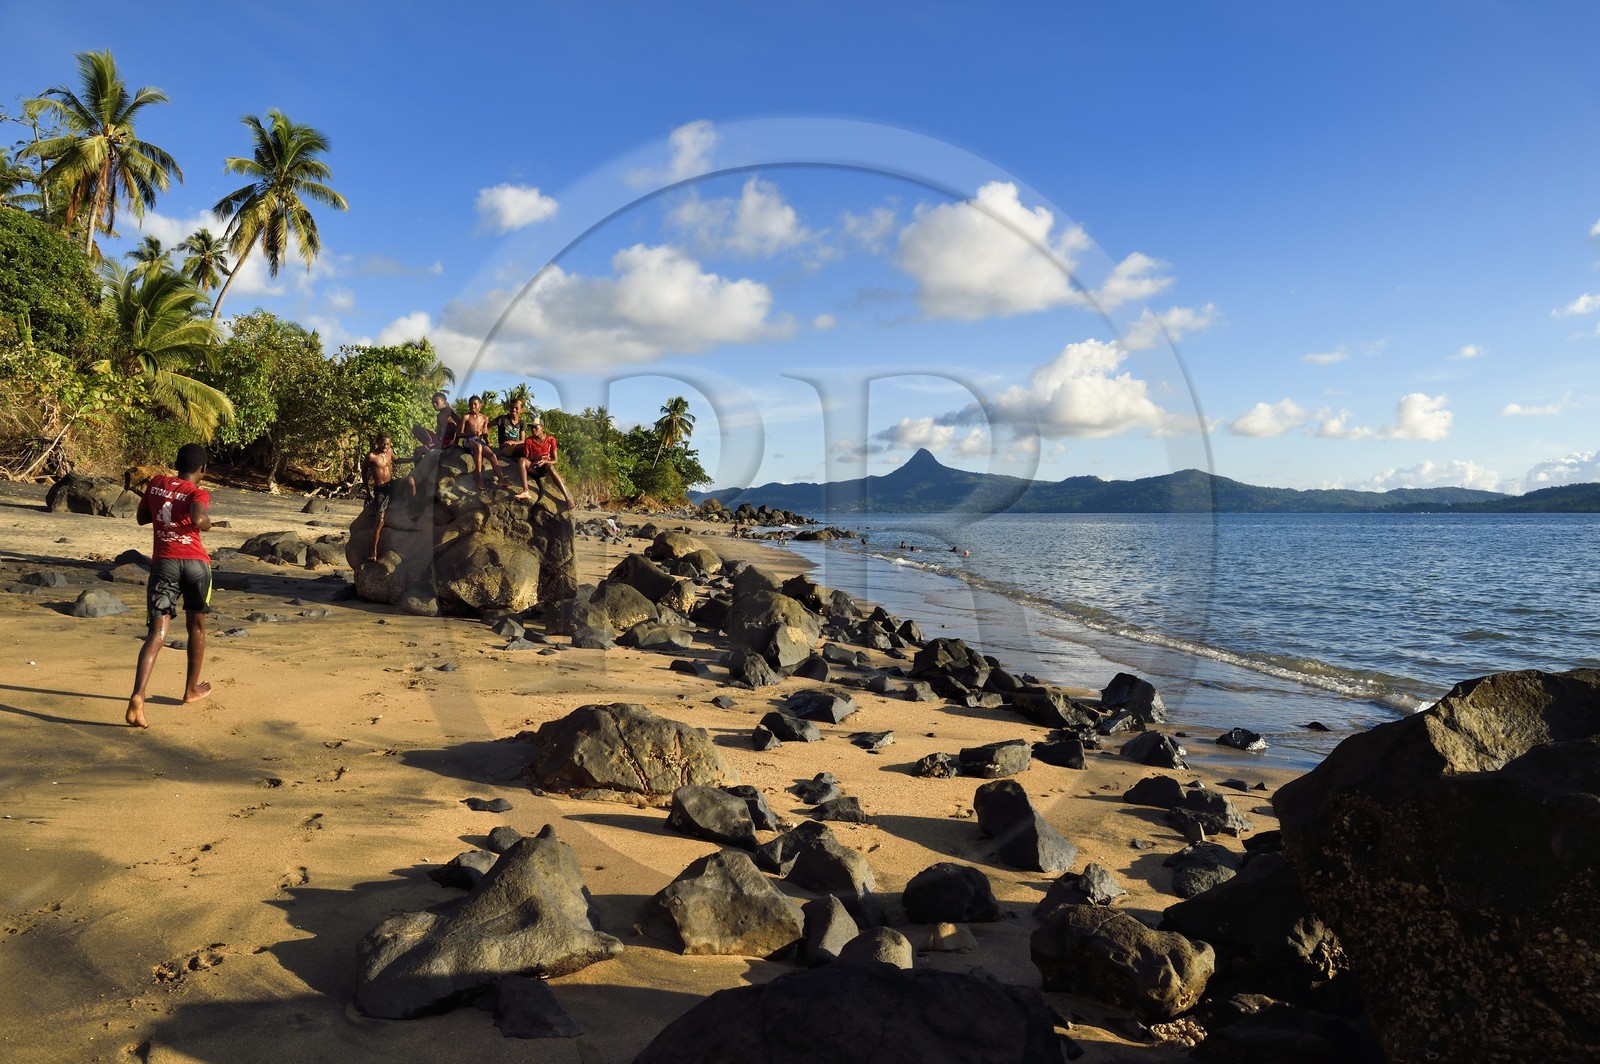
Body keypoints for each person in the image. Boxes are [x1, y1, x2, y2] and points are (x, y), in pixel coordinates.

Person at [126, 443, 214, 728]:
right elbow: (199, 519)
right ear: (202, 470)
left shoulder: (156, 484)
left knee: (157, 632)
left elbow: (142, 519)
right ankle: (190, 691)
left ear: (176, 463)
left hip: (164, 564)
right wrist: (208, 523)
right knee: (196, 627)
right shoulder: (197, 492)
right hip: (197, 567)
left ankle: (138, 695)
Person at [362, 434, 415, 562]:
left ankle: (414, 509)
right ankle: (372, 550)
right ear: (377, 442)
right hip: (381, 490)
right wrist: (368, 493)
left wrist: (413, 459)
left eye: (388, 444)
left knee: (410, 480)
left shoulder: (390, 451)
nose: (385, 446)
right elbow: (364, 474)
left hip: (392, 485)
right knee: (380, 521)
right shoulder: (371, 456)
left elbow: (397, 460)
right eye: (383, 444)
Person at [512, 416, 574, 510]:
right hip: (534, 467)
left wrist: (545, 461)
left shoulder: (550, 440)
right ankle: (526, 490)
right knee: (521, 460)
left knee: (551, 467)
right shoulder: (529, 441)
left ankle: (567, 497)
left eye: (536, 427)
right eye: (532, 427)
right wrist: (535, 459)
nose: (533, 430)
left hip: (545, 468)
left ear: (542, 428)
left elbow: (555, 460)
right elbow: (527, 458)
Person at [456, 394, 504, 490]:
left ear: (480, 405)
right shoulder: (466, 417)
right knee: (478, 447)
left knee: (492, 455)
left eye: (475, 404)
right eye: (470, 404)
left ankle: (502, 479)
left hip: (479, 441)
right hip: (468, 440)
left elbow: (485, 434)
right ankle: (479, 478)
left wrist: (489, 443)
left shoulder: (485, 418)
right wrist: (471, 434)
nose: (472, 406)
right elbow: (458, 434)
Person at [494, 396, 528, 460]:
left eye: (516, 408)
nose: (514, 410)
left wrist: (513, 442)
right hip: (504, 448)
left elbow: (523, 441)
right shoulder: (503, 419)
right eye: (512, 407)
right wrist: (487, 442)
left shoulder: (522, 423)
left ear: (521, 410)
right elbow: (486, 426)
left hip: (514, 447)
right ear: (509, 408)